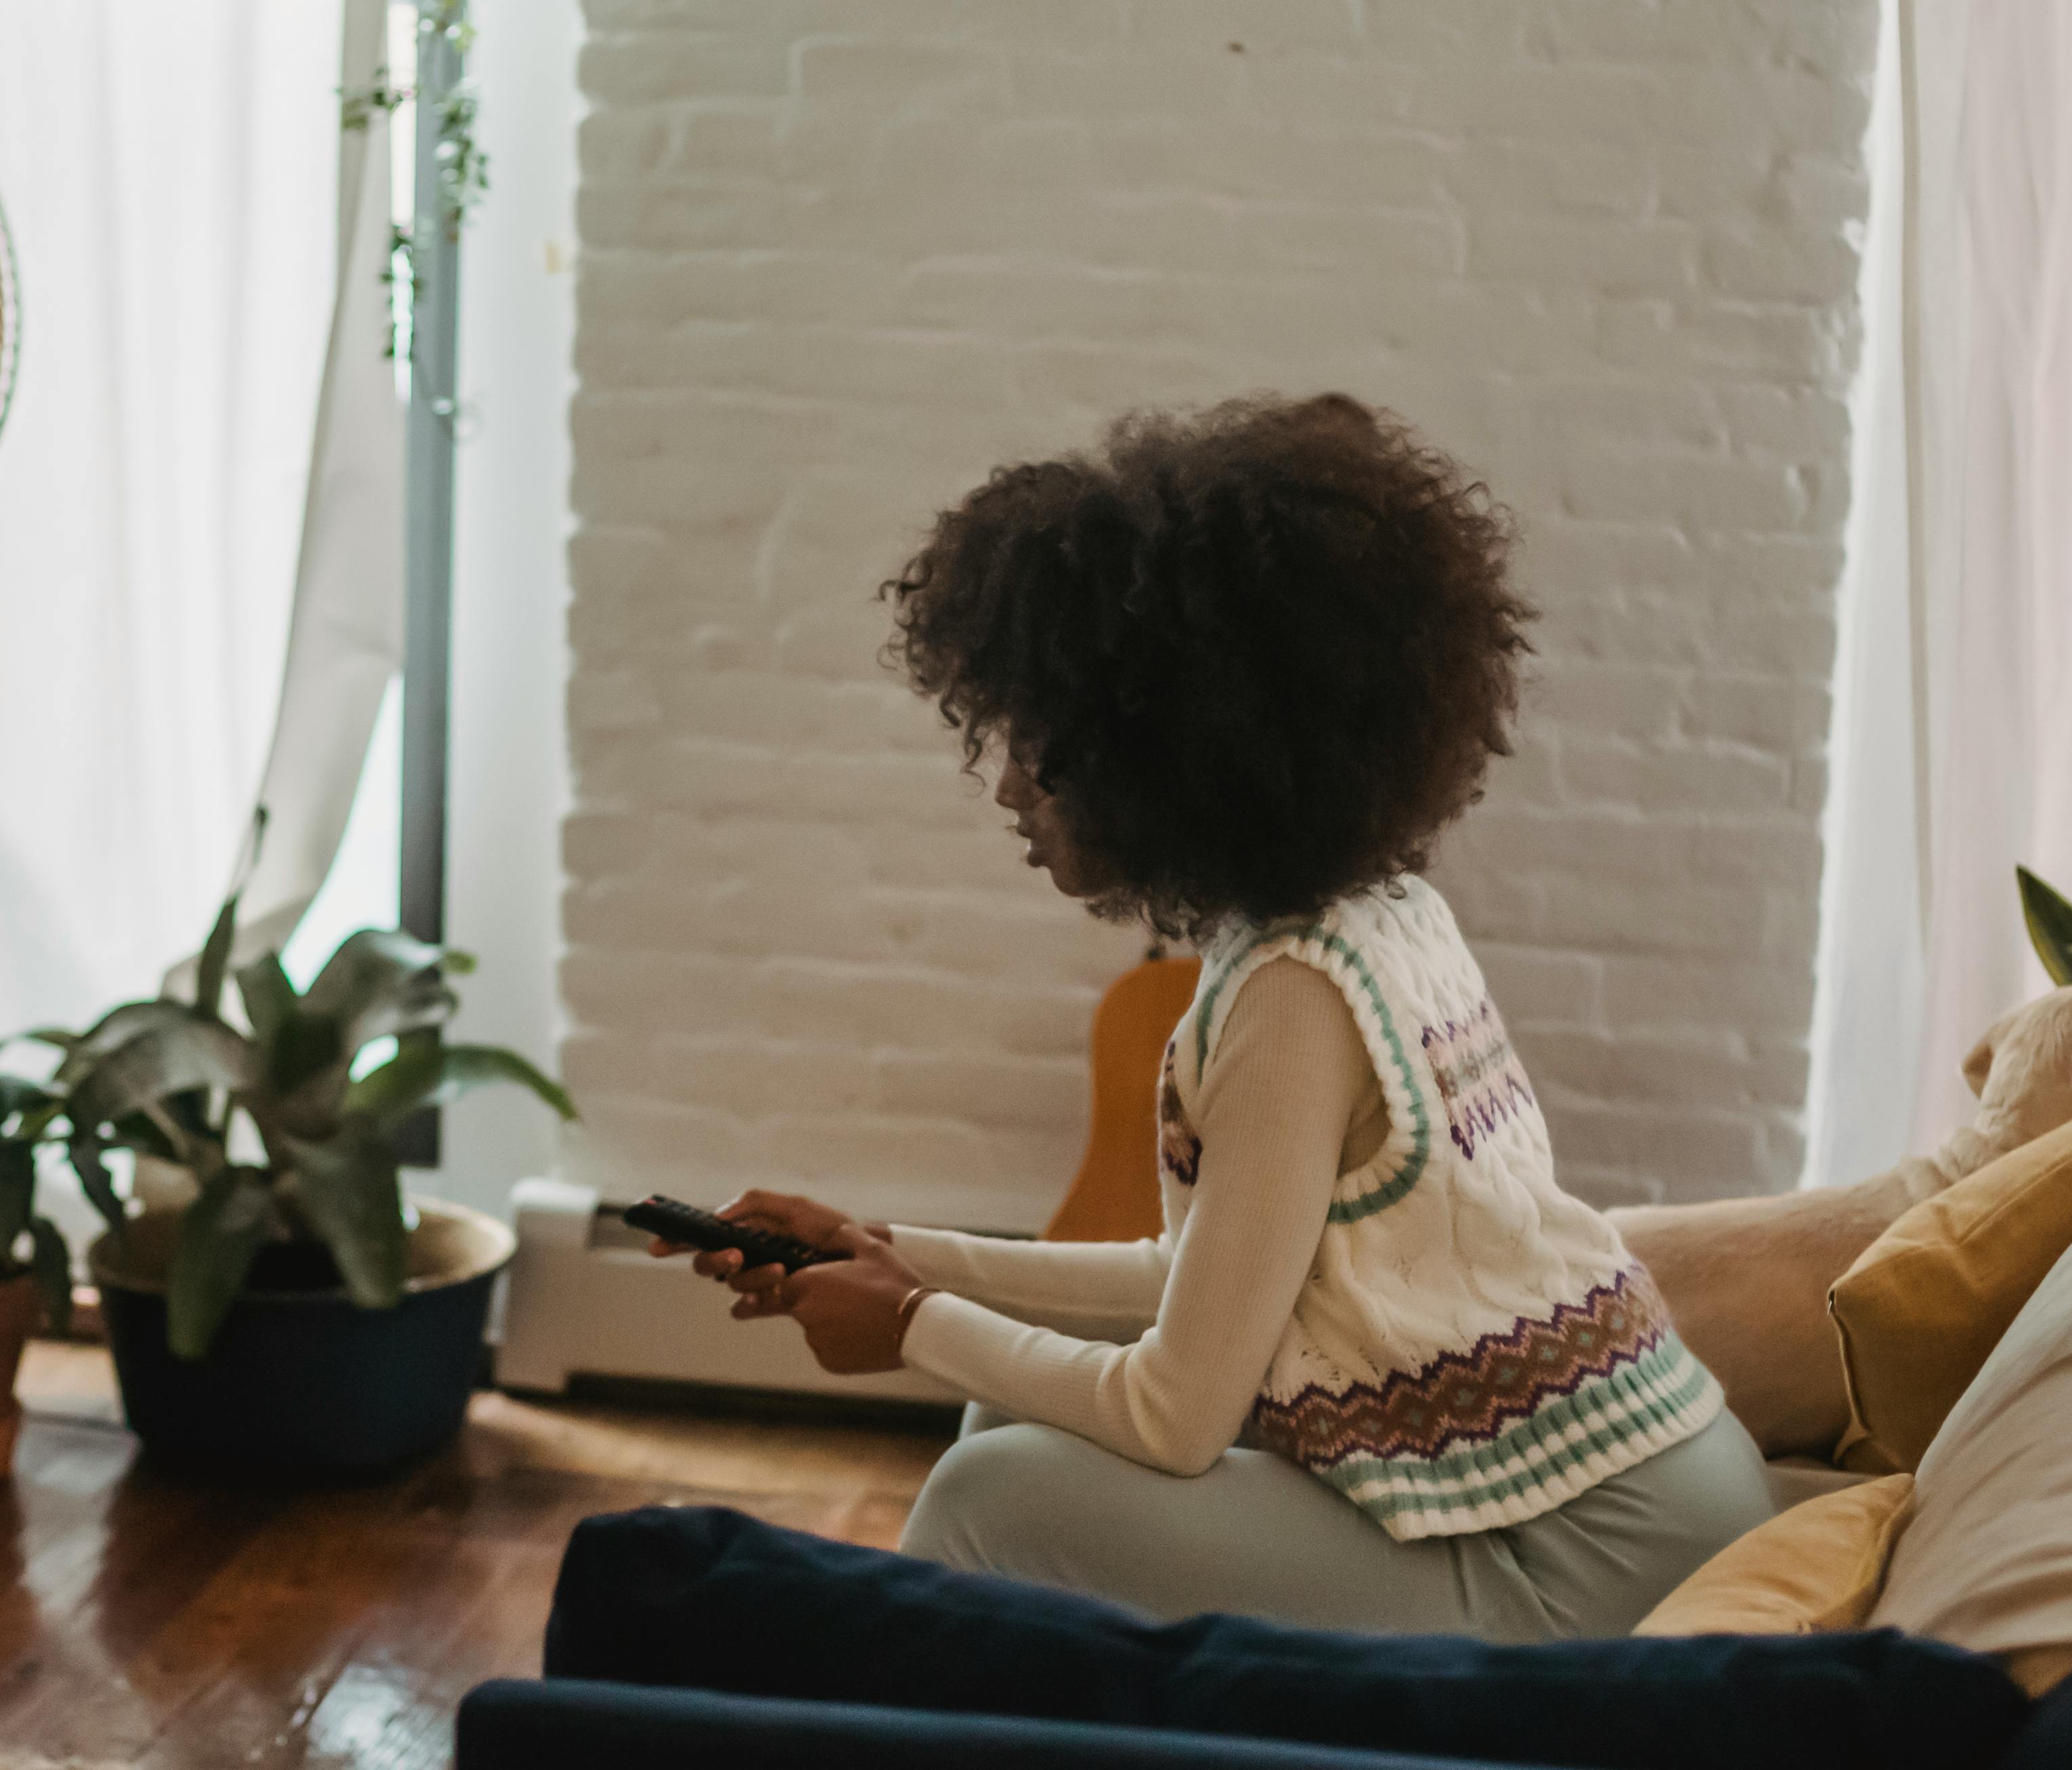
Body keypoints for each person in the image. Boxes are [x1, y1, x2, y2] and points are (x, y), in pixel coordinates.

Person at [668, 393, 1772, 1642]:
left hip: (1583, 1571)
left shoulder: (1295, 995)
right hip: (1643, 1502)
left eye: (1044, 743)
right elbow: (1202, 1284)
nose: (1006, 783)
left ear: (1168, 752)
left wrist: (913, 1325)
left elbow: (1175, 1412)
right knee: (1011, 1423)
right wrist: (891, 1254)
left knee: (992, 1488)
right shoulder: (1364, 916)